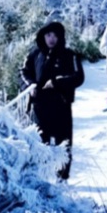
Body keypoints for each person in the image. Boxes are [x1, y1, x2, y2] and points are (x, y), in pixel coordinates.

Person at [21, 20, 84, 180]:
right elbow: (24, 73)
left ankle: (62, 178)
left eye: (55, 35)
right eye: (48, 35)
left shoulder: (69, 55)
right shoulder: (35, 54)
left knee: (64, 144)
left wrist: (57, 82)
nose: (52, 39)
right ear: (43, 36)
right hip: (40, 107)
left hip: (61, 106)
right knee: (40, 144)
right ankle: (41, 177)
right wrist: (31, 86)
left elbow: (78, 77)